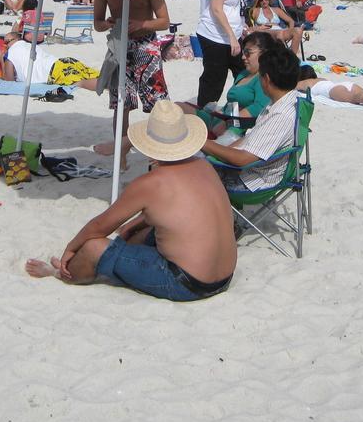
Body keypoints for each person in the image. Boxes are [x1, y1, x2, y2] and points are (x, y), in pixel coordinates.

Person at [25, 100, 236, 302]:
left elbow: (100, 226)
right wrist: (133, 226)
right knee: (134, 232)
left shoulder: (152, 183)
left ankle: (60, 274)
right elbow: (176, 214)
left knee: (92, 248)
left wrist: (71, 248)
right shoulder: (205, 166)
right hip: (224, 277)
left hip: (187, 283)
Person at [201, 43, 301, 192]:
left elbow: (242, 159)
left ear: (266, 79)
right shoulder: (289, 100)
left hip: (253, 180)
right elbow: (250, 138)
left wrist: (202, 143)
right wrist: (218, 150)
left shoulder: (280, 115)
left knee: (190, 175)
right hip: (256, 169)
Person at [92, 0, 170, 166]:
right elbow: (97, 24)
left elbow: (165, 21)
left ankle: (160, 154)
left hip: (146, 44)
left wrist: (142, 24)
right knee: (120, 103)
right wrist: (106, 23)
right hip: (120, 44)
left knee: (157, 103)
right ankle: (121, 156)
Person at [181, 31, 275, 135]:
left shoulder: (263, 78)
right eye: (243, 52)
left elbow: (259, 107)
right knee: (179, 107)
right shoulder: (243, 74)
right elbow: (232, 102)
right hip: (224, 118)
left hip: (240, 127)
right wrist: (219, 114)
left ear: (265, 53)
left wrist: (228, 121)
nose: (243, 57)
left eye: (248, 53)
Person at [195, 0, 247, 110]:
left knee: (243, 73)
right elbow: (216, 9)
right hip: (214, 36)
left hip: (234, 35)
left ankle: (241, 108)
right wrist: (231, 36)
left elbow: (233, 8)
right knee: (215, 79)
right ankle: (205, 116)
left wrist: (241, 26)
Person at [0, 32, 100, 89]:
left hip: (53, 72)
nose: (5, 45)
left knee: (80, 83)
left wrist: (1, 60)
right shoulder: (29, 45)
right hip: (63, 62)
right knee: (95, 74)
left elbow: (9, 81)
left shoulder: (10, 53)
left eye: (7, 42)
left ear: (16, 40)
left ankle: (111, 86)